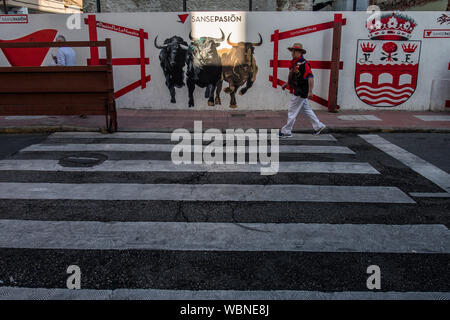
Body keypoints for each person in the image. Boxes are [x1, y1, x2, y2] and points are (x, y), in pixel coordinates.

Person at [279, 43, 326, 137]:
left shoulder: (304, 64)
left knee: (292, 110)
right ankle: (318, 126)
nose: (293, 53)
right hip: (298, 90)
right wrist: (287, 84)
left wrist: (310, 91)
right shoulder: (295, 63)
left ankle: (286, 131)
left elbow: (310, 77)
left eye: (295, 51)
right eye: (292, 51)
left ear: (300, 52)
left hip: (300, 91)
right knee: (306, 110)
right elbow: (294, 77)